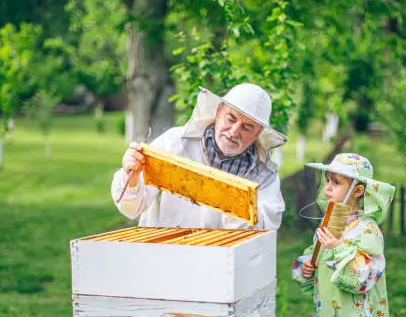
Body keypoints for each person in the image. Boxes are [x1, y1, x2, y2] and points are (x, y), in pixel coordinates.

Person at [111, 83, 287, 230]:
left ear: (258, 133)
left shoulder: (264, 176)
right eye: (231, 118)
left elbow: (264, 228)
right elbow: (131, 208)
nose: (234, 131)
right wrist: (132, 180)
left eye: (247, 128)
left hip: (219, 266)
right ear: (218, 111)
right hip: (163, 258)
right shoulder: (174, 144)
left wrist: (235, 203)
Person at [291, 153, 395, 317]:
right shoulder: (333, 223)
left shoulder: (367, 230)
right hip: (331, 316)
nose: (327, 187)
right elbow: (315, 255)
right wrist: (308, 267)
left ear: (358, 191)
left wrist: (337, 248)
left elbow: (365, 275)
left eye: (336, 182)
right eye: (327, 180)